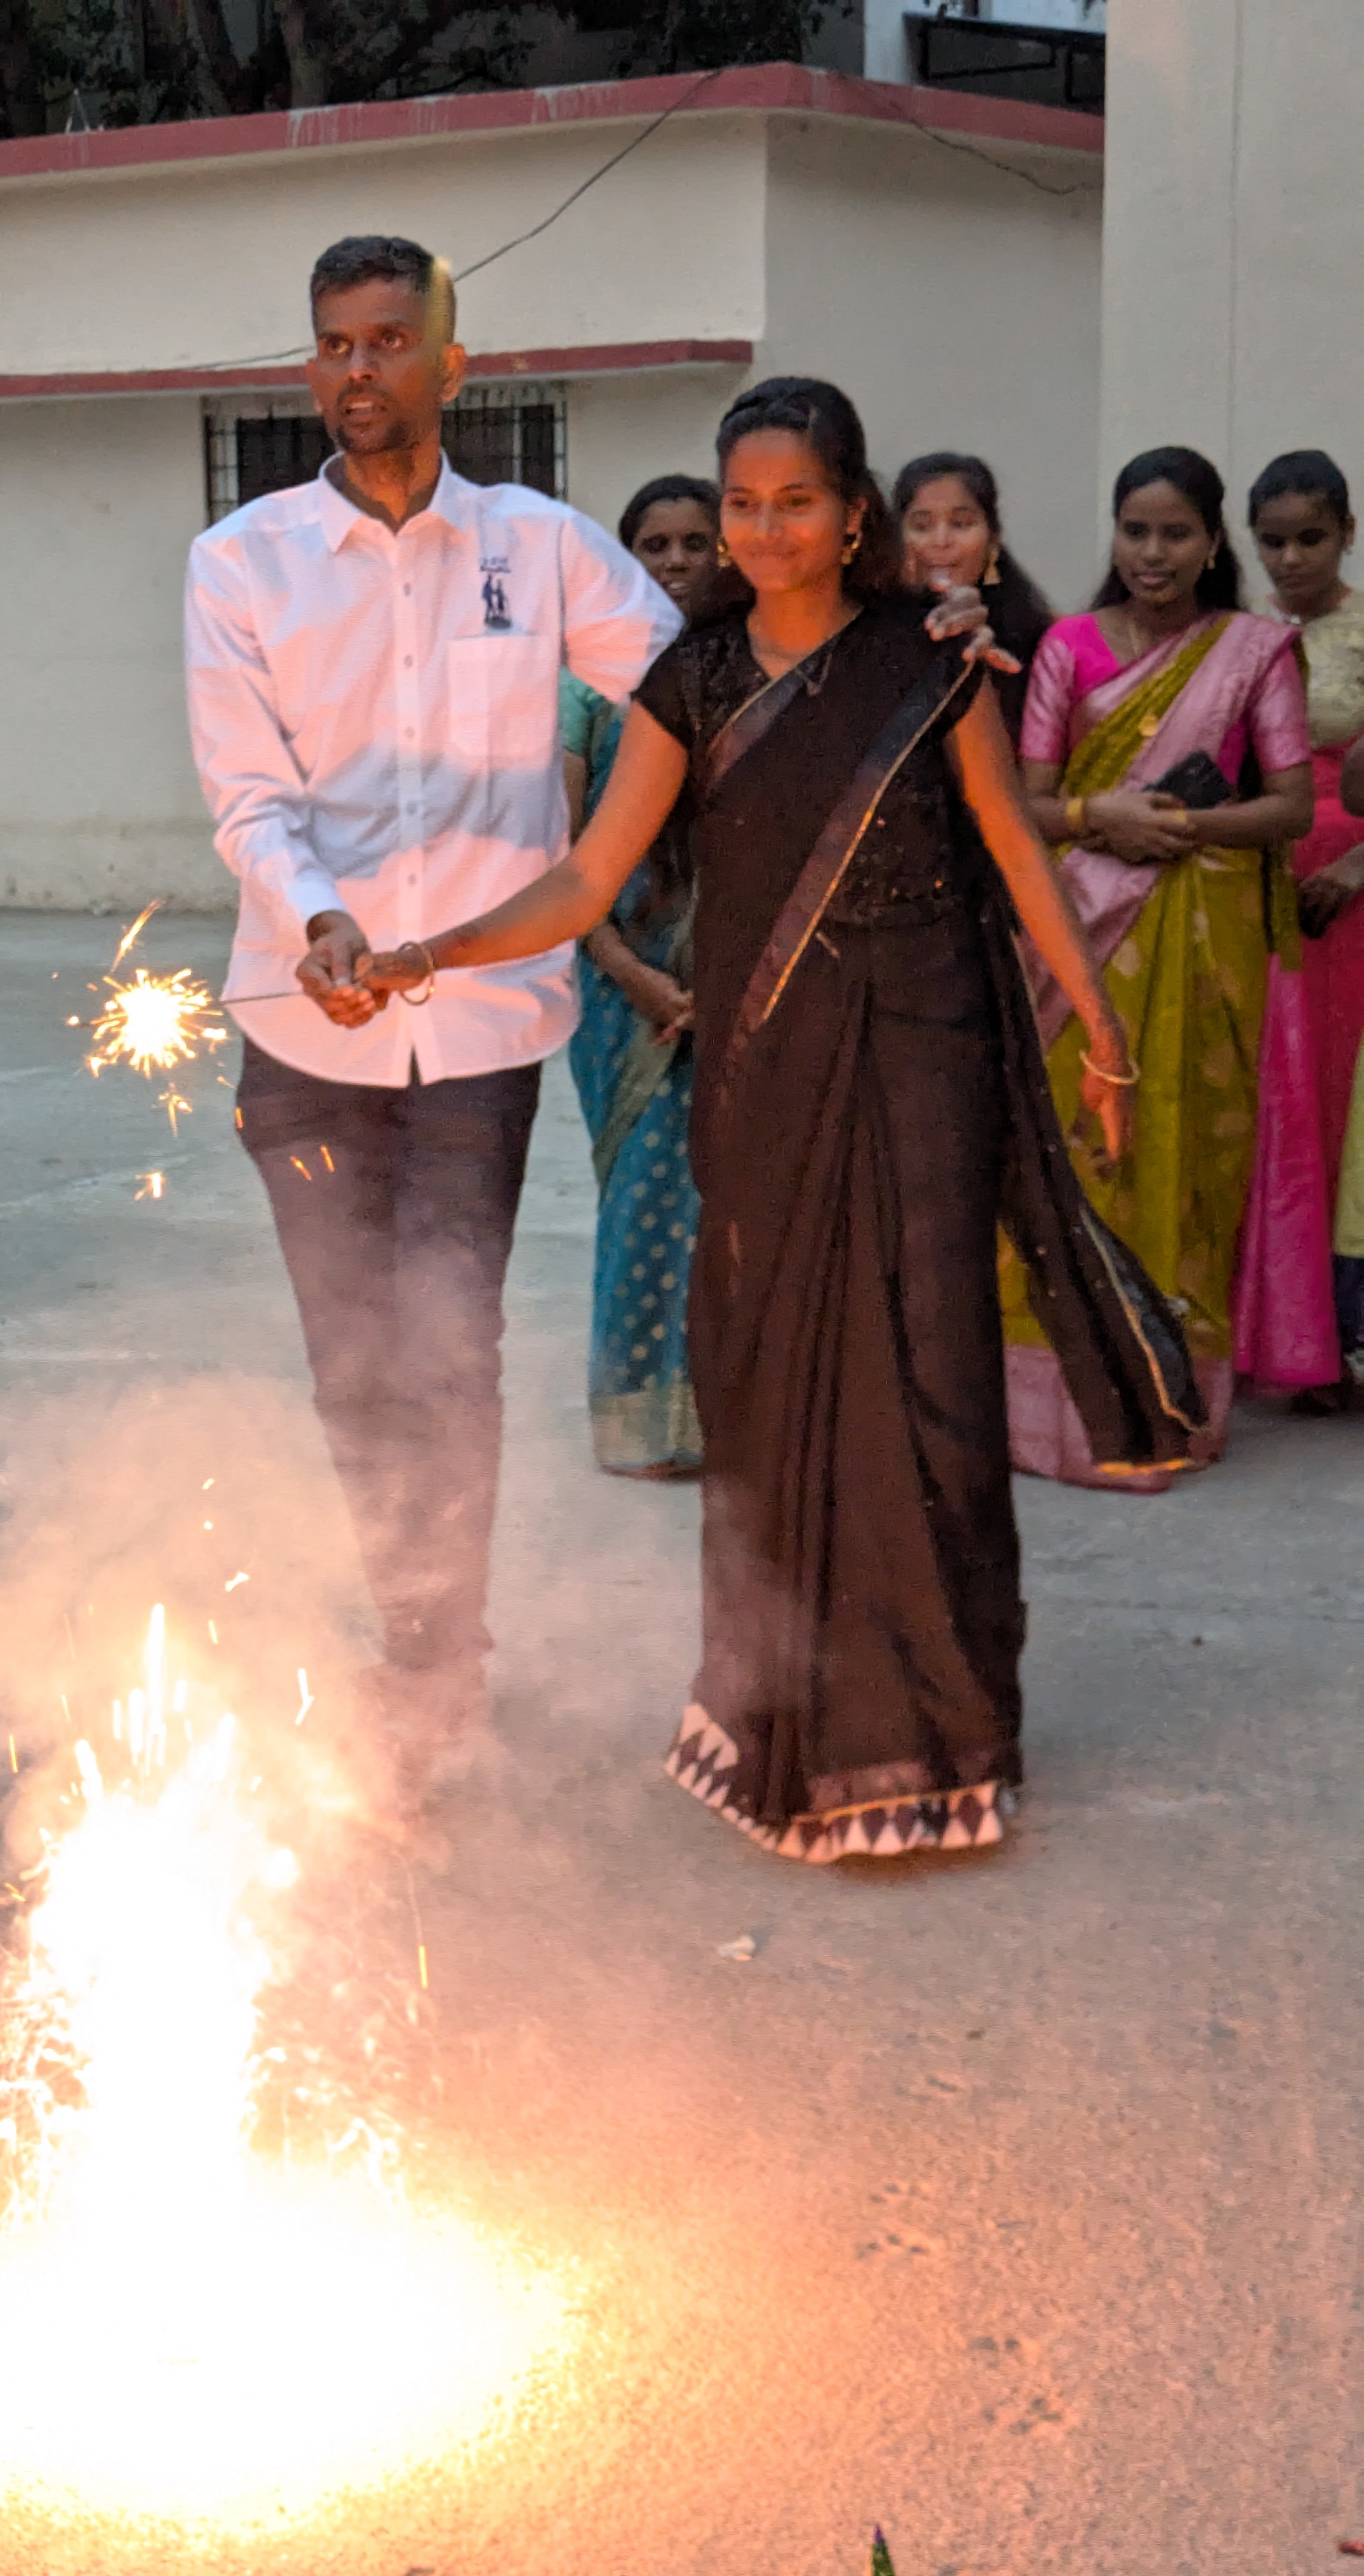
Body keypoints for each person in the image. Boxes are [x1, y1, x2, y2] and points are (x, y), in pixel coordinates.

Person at [343, 376, 1198, 1864]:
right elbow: (586, 881)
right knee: (776, 1379)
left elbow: (1008, 839)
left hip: (928, 1051)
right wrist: (422, 952)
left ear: (853, 510)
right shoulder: (690, 679)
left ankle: (948, 1741)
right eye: (741, 502)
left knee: (927, 1375)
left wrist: (1103, 1025)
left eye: (795, 500)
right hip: (764, 1069)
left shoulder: (930, 664)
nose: (762, 528)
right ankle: (783, 1725)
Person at [182, 233, 680, 1785]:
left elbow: (703, 682)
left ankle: (439, 1658)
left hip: (479, 1030)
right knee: (353, 1362)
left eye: (390, 341)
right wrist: (320, 918)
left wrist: (901, 622)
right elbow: (248, 795)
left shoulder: (538, 550)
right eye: (332, 342)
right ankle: (407, 1626)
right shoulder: (241, 561)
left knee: (448, 1346)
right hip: (300, 1017)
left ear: (451, 364)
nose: (356, 371)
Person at [1009, 446, 1314, 1486]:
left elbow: (1290, 807)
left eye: (1174, 532)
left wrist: (1174, 827)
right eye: (1134, 530)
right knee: (1077, 1156)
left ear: (1210, 540)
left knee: (1182, 1160)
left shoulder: (1253, 651)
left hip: (1201, 941)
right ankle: (1053, 1413)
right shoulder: (1067, 647)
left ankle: (1168, 1402)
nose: (1151, 552)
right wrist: (1104, 815)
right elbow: (1025, 802)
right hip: (1077, 945)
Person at [561, 475, 718, 1477]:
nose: (672, 563)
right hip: (623, 984)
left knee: (727, 1201)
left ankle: (722, 1416)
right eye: (651, 546)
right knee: (644, 1192)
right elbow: (560, 854)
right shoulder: (583, 688)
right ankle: (637, 1425)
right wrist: (633, 974)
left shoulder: (752, 672)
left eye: (694, 543)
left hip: (734, 981)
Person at [1235, 449, 1364, 1409]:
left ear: (1347, 536)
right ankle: (1282, 1340)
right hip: (1262, 884)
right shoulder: (1242, 641)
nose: (1290, 560)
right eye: (1272, 542)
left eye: (1309, 539)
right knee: (1277, 1100)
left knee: (1339, 1104)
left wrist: (1359, 866)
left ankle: (1337, 1335)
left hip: (1353, 891)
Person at [894, 452, 1053, 743]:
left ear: (994, 537)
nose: (941, 541)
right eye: (921, 526)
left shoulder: (1041, 643)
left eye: (961, 524)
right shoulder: (873, 627)